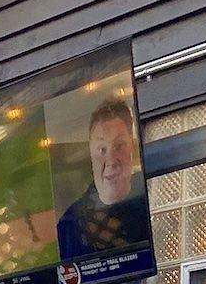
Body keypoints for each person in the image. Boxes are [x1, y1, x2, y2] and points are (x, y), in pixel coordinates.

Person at [54, 96, 151, 262]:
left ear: (132, 147)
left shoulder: (152, 202)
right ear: (90, 154)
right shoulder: (69, 226)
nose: (111, 161)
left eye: (119, 145)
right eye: (101, 149)